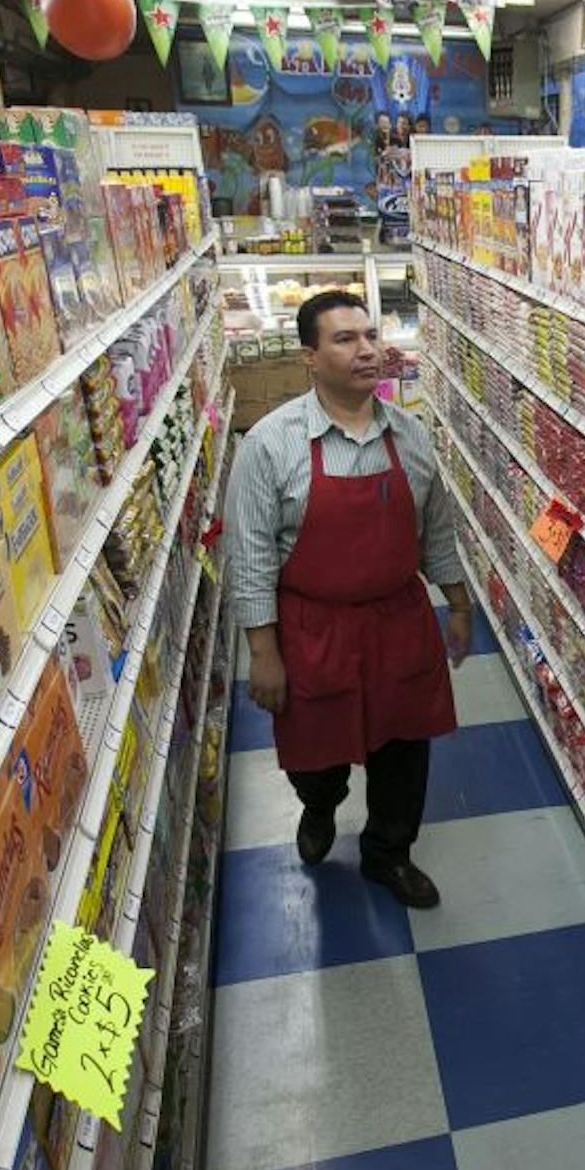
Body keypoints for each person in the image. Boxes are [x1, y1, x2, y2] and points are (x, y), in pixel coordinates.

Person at [222, 291, 473, 909]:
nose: (366, 350)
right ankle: (319, 803)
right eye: (345, 339)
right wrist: (264, 653)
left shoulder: (411, 438)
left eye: (369, 335)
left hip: (397, 621)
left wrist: (459, 605)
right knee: (314, 752)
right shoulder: (271, 446)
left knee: (403, 750)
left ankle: (388, 854)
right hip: (313, 629)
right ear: (309, 357)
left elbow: (435, 529)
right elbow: (250, 556)